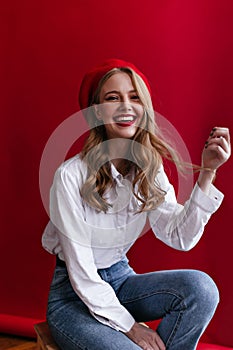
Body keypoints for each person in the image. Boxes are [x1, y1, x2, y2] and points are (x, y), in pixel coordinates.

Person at [42, 59, 231, 350]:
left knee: (201, 289)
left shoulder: (147, 169)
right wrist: (132, 329)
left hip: (121, 280)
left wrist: (208, 173)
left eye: (134, 97)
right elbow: (81, 274)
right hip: (72, 297)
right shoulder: (70, 176)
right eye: (112, 98)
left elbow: (180, 237)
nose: (126, 106)